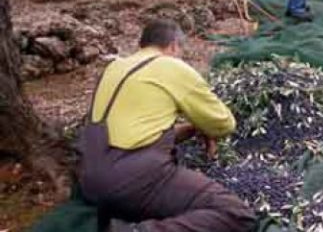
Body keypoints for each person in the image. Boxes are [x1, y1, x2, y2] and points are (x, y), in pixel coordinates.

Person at [76, 19, 255, 232]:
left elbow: (132, 134)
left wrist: (190, 129)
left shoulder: (114, 68)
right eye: (180, 51)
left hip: (89, 178)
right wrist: (206, 126)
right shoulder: (170, 66)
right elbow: (224, 123)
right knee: (235, 214)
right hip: (132, 182)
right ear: (173, 46)